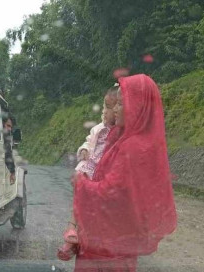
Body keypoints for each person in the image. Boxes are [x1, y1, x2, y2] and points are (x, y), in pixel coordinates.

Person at [71, 74, 177, 271]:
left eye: (121, 103)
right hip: (117, 247)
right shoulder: (133, 141)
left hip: (106, 252)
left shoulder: (131, 147)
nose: (115, 109)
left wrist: (81, 183)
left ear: (137, 106)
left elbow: (111, 194)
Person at [58, 86, 119, 261]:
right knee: (80, 198)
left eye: (111, 106)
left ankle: (74, 239)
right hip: (90, 168)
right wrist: (83, 150)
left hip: (104, 175)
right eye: (105, 106)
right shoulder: (98, 128)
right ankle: (72, 230)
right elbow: (87, 142)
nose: (106, 111)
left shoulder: (123, 134)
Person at [2, 115, 16, 184]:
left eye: (11, 127)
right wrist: (13, 172)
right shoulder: (4, 136)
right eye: (8, 125)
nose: (10, 129)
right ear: (2, 124)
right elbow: (7, 154)